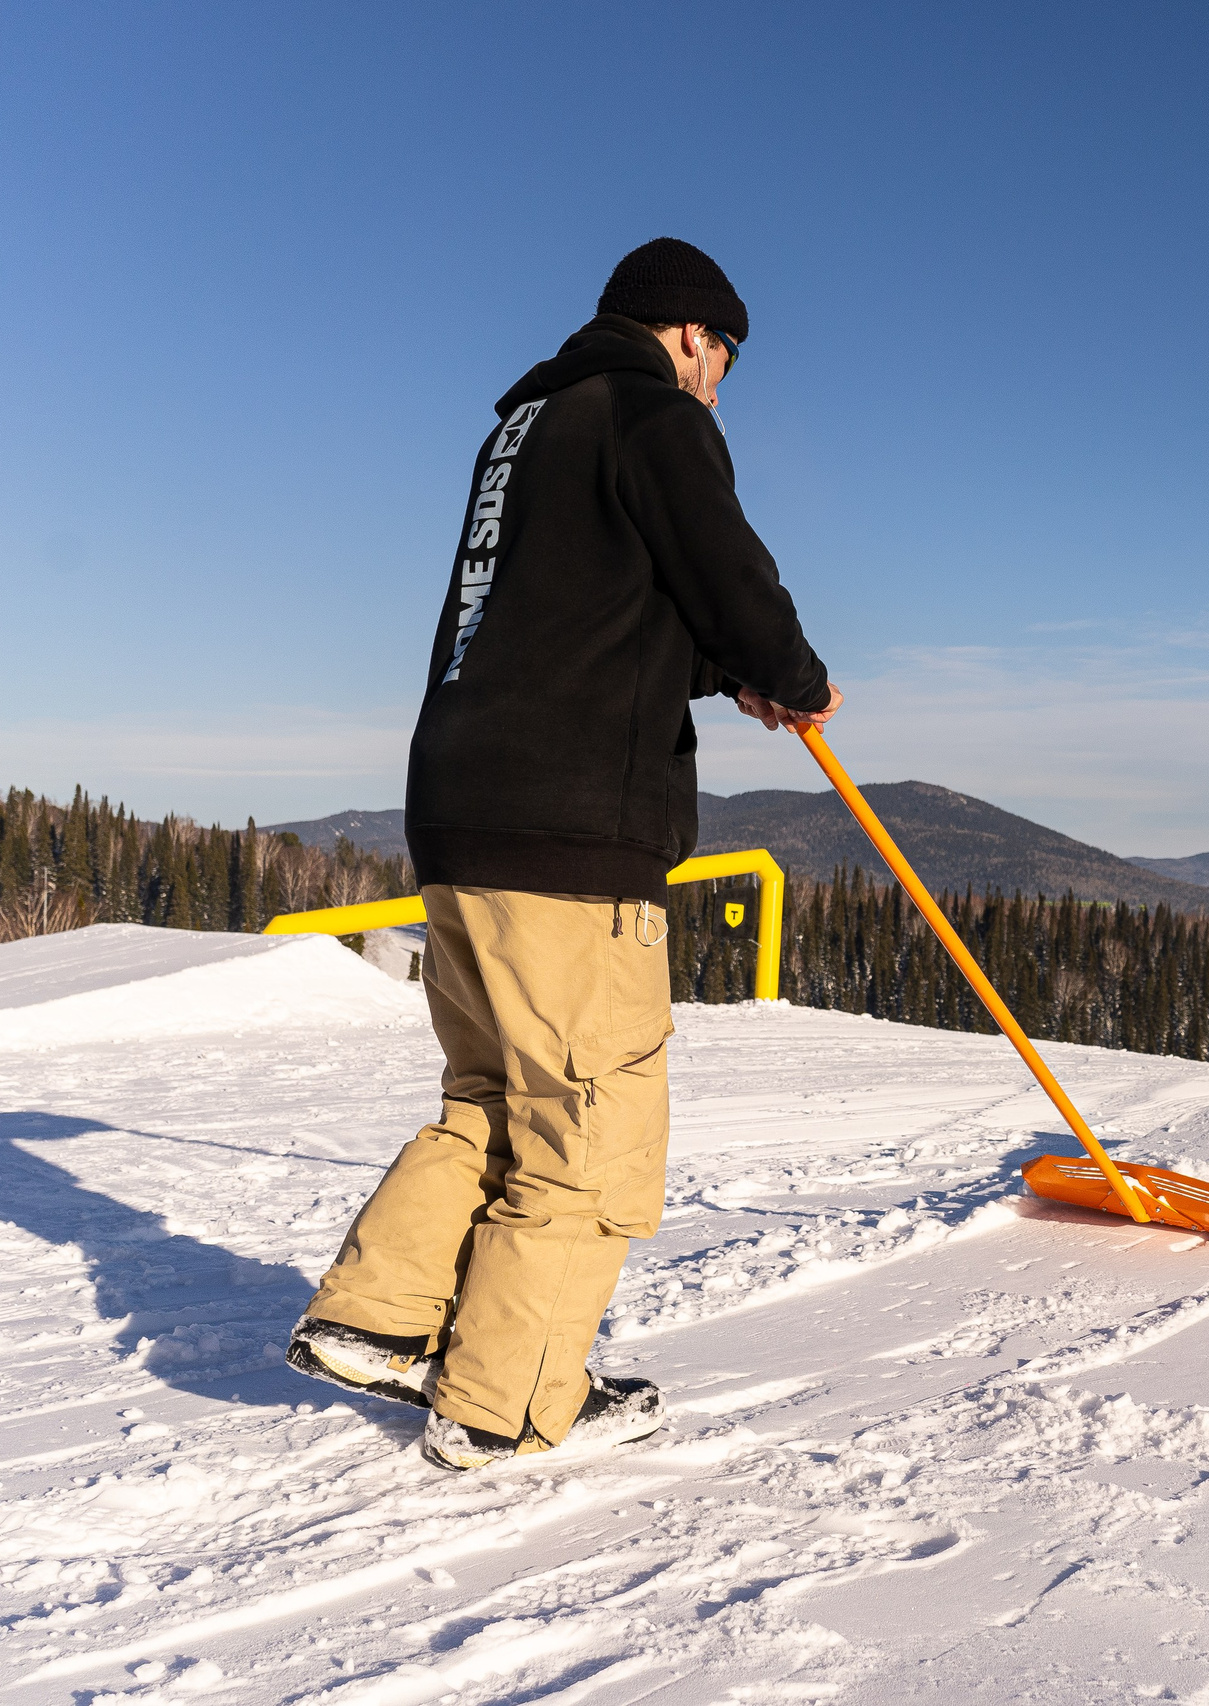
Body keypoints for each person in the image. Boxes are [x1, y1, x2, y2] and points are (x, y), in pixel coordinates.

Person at [284, 237, 840, 1470]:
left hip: (463, 810)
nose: (720, 386)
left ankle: (373, 1318)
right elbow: (726, 572)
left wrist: (720, 675)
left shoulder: (527, 429)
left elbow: (581, 606)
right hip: (572, 832)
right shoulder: (654, 415)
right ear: (690, 333)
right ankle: (506, 1394)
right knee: (589, 1125)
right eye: (724, 359)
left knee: (490, 1094)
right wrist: (789, 673)